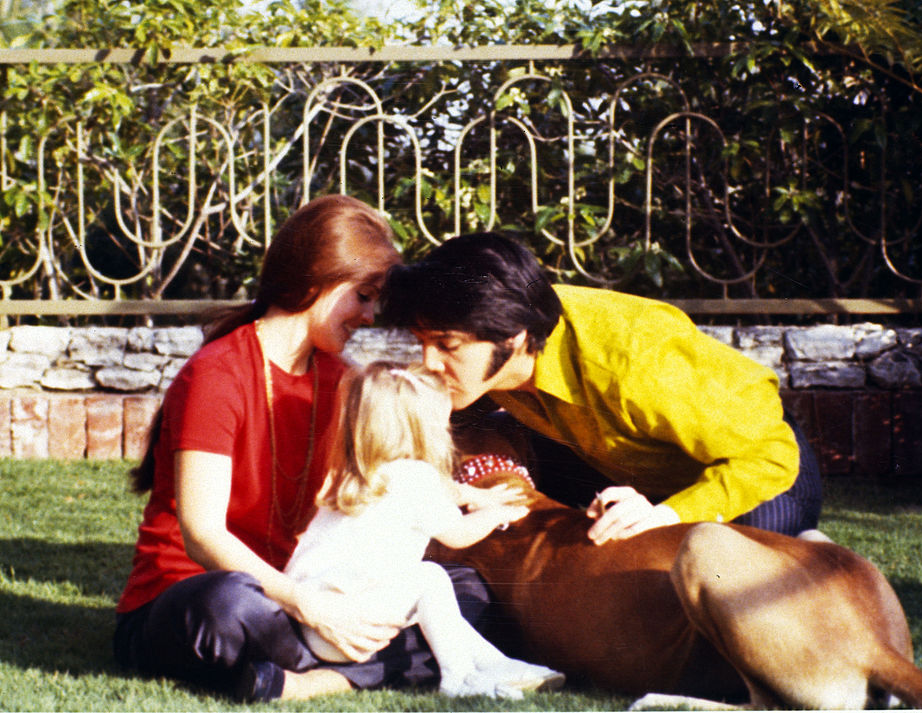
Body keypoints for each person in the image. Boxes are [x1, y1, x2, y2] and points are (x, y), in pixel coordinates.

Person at [113, 195, 494, 702]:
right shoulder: (217, 374)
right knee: (225, 606)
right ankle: (357, 669)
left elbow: (390, 476)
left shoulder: (342, 381)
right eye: (362, 295)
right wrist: (310, 607)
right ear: (319, 279)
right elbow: (202, 536)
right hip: (209, 598)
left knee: (462, 590)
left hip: (306, 603)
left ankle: (306, 681)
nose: (369, 315)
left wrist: (472, 495)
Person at [379, 232, 823, 544]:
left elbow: (768, 455)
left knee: (728, 560)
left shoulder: (634, 357)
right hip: (619, 463)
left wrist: (666, 516)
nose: (428, 363)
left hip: (757, 461)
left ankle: (812, 550)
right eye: (422, 343)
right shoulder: (488, 356)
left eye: (446, 345)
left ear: (512, 338)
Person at [285, 361, 565, 698]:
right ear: (422, 430)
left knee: (436, 608)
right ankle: (458, 679)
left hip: (311, 620)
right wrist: (498, 513)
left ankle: (499, 665)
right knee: (430, 579)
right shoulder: (419, 478)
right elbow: (458, 534)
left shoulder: (360, 475)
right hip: (353, 627)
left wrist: (478, 495)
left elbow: (448, 492)